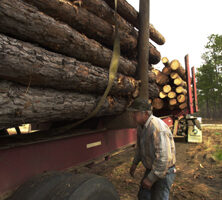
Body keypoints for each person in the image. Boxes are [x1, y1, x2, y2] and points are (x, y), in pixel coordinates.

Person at [127, 99, 176, 200]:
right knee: (143, 196)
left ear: (145, 113)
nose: (133, 116)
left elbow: (164, 158)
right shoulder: (141, 126)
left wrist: (150, 179)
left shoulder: (157, 128)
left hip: (164, 171)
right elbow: (140, 147)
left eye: (135, 113)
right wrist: (135, 163)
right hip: (152, 168)